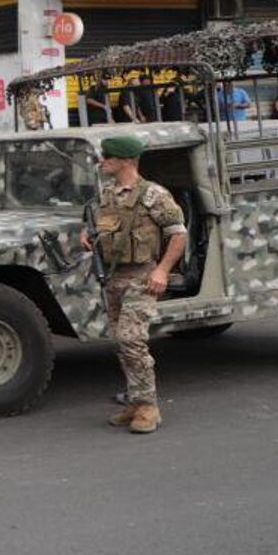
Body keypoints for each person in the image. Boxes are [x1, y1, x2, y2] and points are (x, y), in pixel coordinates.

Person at [83, 135, 187, 434]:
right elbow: (100, 225)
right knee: (120, 342)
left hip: (142, 277)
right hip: (114, 277)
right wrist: (87, 236)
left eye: (109, 157)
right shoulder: (108, 194)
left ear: (126, 161)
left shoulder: (154, 195)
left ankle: (148, 406)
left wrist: (163, 271)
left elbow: (178, 234)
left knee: (131, 339)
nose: (103, 161)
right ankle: (134, 401)